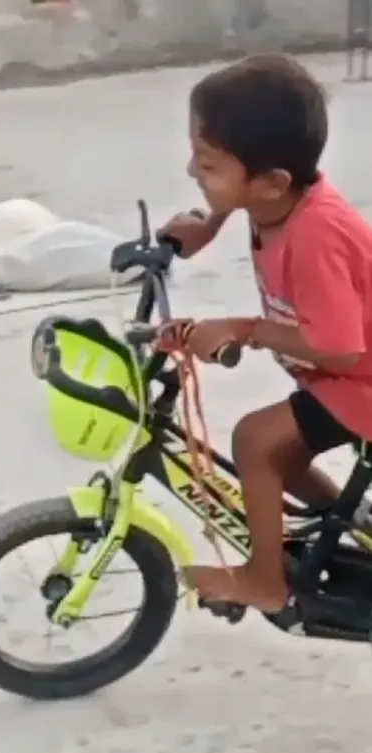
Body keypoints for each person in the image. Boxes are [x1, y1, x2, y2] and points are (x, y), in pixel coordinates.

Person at [157, 53, 372, 614]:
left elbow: (340, 346)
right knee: (284, 451)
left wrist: (247, 329)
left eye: (207, 165)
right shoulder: (277, 194)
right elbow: (243, 199)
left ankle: (265, 581)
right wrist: (206, 225)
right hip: (344, 375)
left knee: (257, 440)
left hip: (358, 377)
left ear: (271, 180)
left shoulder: (317, 236)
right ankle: (348, 518)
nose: (191, 174)